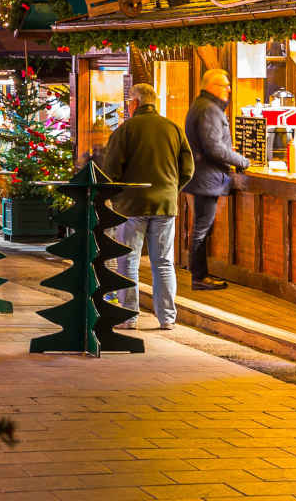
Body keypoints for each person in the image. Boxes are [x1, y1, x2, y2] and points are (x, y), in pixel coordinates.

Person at [97, 83, 195, 330]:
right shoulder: (173, 128)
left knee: (128, 261)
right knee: (163, 262)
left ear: (135, 103)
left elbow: (111, 171)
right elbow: (188, 169)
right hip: (165, 205)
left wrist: (116, 198)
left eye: (129, 102)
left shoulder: (126, 130)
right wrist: (171, 190)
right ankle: (167, 319)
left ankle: (129, 317)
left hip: (132, 205)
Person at [183, 68, 249, 292]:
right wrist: (241, 160)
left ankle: (199, 275)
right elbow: (214, 148)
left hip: (202, 176)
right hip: (207, 178)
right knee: (202, 228)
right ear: (210, 87)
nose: (229, 89)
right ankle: (199, 277)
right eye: (224, 85)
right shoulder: (209, 110)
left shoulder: (202, 106)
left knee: (201, 226)